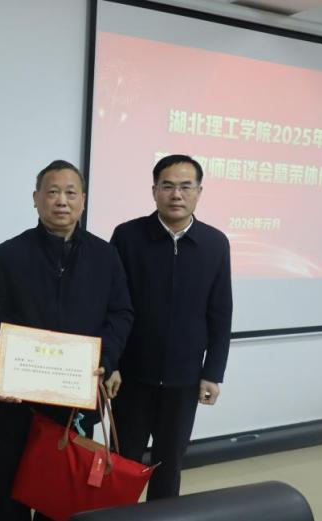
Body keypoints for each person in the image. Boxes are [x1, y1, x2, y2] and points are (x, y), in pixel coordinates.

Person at [0, 160, 134, 521]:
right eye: (52, 192)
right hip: (20, 397)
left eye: (70, 193)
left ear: (83, 199)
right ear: (36, 198)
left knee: (63, 486)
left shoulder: (105, 255)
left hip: (76, 394)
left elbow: (121, 313)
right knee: (11, 483)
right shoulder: (10, 253)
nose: (61, 201)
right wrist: (0, 371)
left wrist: (105, 360)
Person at [110, 154, 232, 501]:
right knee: (122, 461)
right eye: (167, 186)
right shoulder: (128, 236)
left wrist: (213, 373)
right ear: (154, 191)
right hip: (131, 377)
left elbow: (221, 312)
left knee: (169, 463)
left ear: (199, 192)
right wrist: (111, 362)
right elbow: (112, 305)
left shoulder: (214, 243)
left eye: (185, 187)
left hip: (184, 379)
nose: (176, 194)